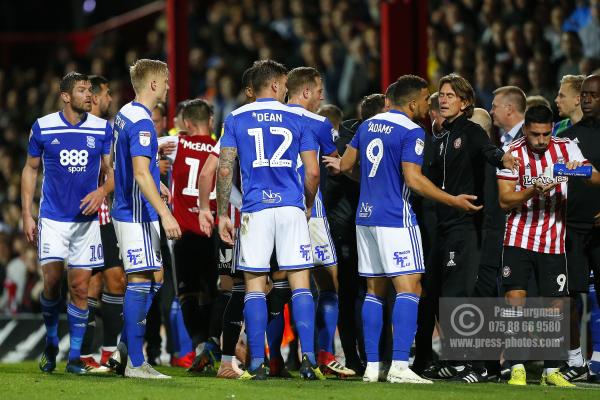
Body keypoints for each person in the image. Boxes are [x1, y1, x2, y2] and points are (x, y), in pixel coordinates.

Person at [340, 74, 482, 384]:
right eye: (427, 98)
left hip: (365, 218)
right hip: (395, 218)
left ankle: (373, 367)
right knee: (410, 288)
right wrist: (452, 200)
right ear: (414, 102)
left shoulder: (367, 125)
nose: (430, 103)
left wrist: (369, 184)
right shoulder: (411, 131)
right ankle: (401, 366)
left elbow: (345, 166)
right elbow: (414, 180)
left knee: (375, 292)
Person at [216, 59, 323, 380]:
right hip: (290, 207)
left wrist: (223, 212)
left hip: (255, 210)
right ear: (276, 85)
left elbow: (224, 169)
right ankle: (309, 362)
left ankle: (257, 364)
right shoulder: (299, 117)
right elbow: (314, 171)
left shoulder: (234, 118)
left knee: (253, 286)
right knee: (300, 281)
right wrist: (306, 203)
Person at [422, 75, 518, 381]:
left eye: (450, 95)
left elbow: (489, 151)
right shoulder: (440, 138)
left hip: (466, 225)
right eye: (441, 95)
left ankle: (471, 363)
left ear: (464, 103)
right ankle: (456, 357)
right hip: (445, 226)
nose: (444, 99)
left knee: (458, 294)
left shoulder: (470, 131)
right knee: (438, 293)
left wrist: (504, 157)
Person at [498, 104, 600, 387]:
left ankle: (551, 370)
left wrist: (581, 170)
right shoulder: (512, 154)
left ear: (552, 129)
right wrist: (532, 189)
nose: (541, 141)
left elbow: (595, 178)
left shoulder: (567, 148)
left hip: (554, 241)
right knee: (515, 300)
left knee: (556, 305)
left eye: (545, 134)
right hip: (518, 237)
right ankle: (517, 365)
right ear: (526, 129)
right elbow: (505, 200)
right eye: (535, 135)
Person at [21, 72, 113, 374]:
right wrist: (26, 212)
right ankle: (50, 341)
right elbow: (30, 169)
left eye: (90, 90)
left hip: (86, 223)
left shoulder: (102, 129)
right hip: (53, 219)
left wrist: (102, 191)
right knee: (51, 282)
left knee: (79, 287)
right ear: (65, 96)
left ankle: (74, 357)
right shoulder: (44, 126)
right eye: (82, 90)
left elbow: (113, 171)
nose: (89, 95)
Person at [264, 66, 353, 377]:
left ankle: (273, 358)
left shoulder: (267, 117)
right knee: (327, 280)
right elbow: (328, 168)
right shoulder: (318, 123)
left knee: (277, 283)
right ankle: (322, 354)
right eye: (318, 91)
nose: (322, 97)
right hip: (307, 210)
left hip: (269, 211)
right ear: (305, 92)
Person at [109, 59, 182, 379]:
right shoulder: (141, 123)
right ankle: (136, 364)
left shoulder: (125, 113)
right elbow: (139, 172)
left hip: (138, 209)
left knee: (155, 278)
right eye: (165, 81)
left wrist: (157, 180)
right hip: (135, 214)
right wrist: (166, 213)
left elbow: (123, 162)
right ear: (153, 84)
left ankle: (126, 349)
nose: (168, 86)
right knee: (140, 280)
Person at [196, 62, 256, 379]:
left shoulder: (234, 125)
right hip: (256, 217)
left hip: (230, 220)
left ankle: (225, 353)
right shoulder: (242, 124)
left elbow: (208, 171)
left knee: (231, 287)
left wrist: (207, 210)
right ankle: (257, 358)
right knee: (265, 285)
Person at [322, 93, 386, 375]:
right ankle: (363, 357)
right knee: (358, 293)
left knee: (356, 294)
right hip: (349, 227)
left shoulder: (347, 137)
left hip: (354, 225)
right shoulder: (355, 140)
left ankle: (363, 357)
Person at [160, 99, 221, 368]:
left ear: (185, 123)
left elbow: (137, 148)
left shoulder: (176, 144)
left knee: (186, 294)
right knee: (213, 291)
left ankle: (199, 346)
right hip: (213, 231)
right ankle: (212, 343)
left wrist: (157, 164)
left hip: (183, 233)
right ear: (210, 121)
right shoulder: (220, 146)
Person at [79, 75, 125, 371]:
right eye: (108, 93)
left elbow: (114, 172)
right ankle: (83, 355)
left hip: (105, 217)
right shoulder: (80, 129)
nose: (111, 99)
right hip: (82, 219)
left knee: (116, 281)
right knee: (88, 287)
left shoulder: (109, 130)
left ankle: (108, 352)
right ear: (95, 97)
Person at [558, 74, 600, 382]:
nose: (586, 99)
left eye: (593, 95)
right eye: (584, 94)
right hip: (570, 226)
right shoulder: (567, 137)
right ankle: (575, 361)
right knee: (568, 295)